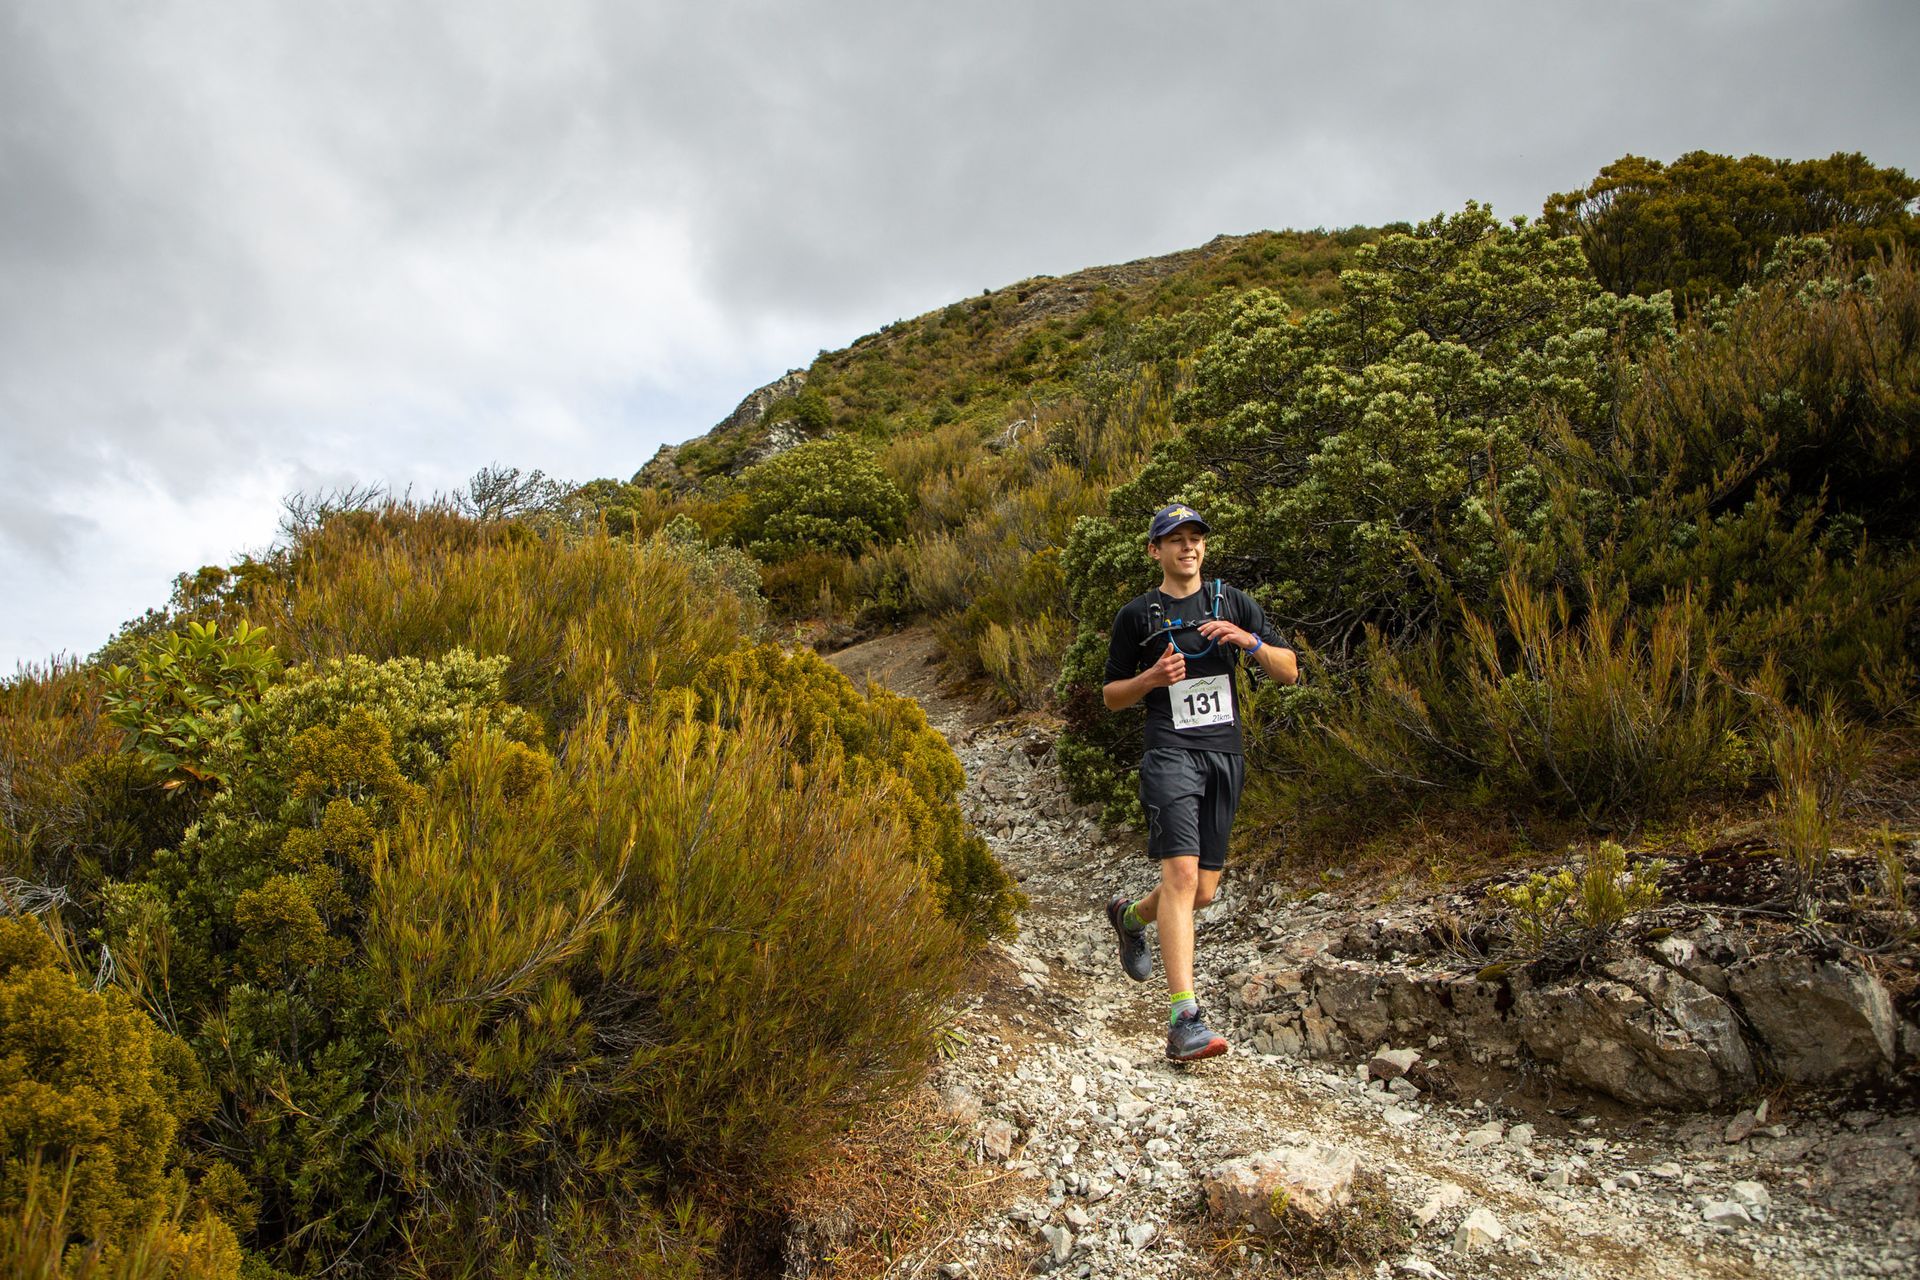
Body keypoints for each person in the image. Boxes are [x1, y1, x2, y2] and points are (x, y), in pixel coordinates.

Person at [1100, 503, 1297, 1061]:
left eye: (1195, 538)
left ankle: (1131, 916)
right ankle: (1184, 1017)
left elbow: (1290, 669)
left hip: (1224, 756)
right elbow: (1112, 697)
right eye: (1175, 539)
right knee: (1182, 875)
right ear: (1154, 551)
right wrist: (1152, 677)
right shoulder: (1137, 615)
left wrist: (1248, 641)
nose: (1188, 547)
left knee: (1202, 891)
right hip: (1169, 752)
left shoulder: (1230, 602)